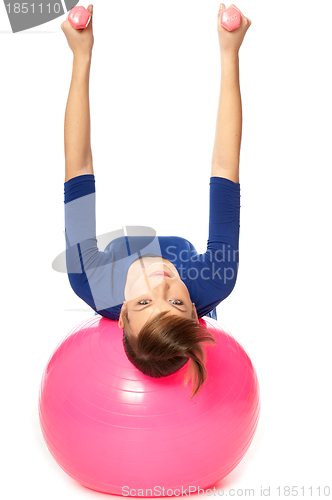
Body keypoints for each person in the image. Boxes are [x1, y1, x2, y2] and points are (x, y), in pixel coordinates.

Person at [60, 4, 252, 399]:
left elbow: (78, 166)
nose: (160, 283)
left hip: (118, 264)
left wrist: (81, 56)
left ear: (120, 317)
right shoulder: (212, 280)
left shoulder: (93, 282)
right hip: (190, 279)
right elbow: (224, 167)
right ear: (196, 312)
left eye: (145, 300)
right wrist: (230, 53)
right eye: (178, 301)